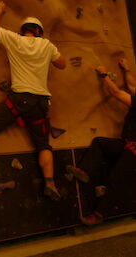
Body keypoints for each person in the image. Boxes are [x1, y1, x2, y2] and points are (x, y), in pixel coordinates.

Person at [0, 1, 66, 201]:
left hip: (21, 99)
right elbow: (62, 64)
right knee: (43, 145)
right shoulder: (47, 45)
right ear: (38, 31)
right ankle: (50, 183)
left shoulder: (14, 39)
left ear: (23, 30)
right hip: (41, 104)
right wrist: (46, 51)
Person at [67, 58, 136, 225]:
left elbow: (117, 93)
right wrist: (126, 71)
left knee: (115, 179)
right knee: (99, 142)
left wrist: (104, 75)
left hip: (134, 150)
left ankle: (98, 214)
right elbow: (132, 87)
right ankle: (84, 171)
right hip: (128, 144)